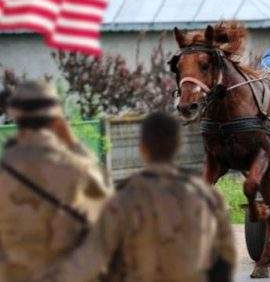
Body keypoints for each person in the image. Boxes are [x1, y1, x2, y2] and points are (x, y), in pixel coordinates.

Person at [34, 112, 237, 282]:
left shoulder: (123, 199)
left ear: (142, 148)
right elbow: (226, 258)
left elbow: (91, 258)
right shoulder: (208, 196)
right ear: (179, 146)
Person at [0, 80, 112, 282]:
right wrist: (73, 143)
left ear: (15, 117)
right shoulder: (79, 170)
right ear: (57, 119)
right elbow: (109, 212)